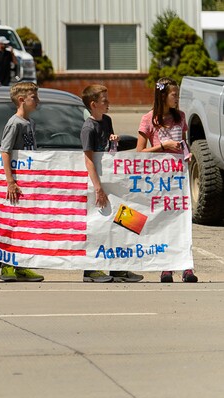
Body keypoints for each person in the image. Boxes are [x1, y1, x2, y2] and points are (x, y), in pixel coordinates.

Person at [136, 77, 198, 283]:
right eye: (174, 95)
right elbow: (140, 152)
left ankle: (186, 266)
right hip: (159, 180)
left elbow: (184, 143)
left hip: (180, 179)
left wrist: (186, 155)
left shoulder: (180, 116)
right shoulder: (148, 119)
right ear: (163, 95)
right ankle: (166, 267)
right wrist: (163, 146)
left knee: (182, 222)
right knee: (163, 222)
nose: (177, 98)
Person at [80, 84, 143, 283]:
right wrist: (98, 188)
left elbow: (110, 152)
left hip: (112, 183)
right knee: (97, 226)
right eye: (104, 100)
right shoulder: (88, 128)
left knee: (123, 222)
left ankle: (118, 267)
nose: (108, 103)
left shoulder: (107, 121)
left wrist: (114, 142)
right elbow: (89, 159)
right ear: (93, 104)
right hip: (97, 184)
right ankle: (91, 270)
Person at [0, 82, 44, 282]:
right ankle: (7, 266)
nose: (38, 101)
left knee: (26, 225)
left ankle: (22, 266)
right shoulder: (14, 123)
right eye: (34, 97)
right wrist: (10, 181)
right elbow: (5, 151)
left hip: (29, 182)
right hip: (16, 183)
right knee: (13, 225)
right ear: (21, 100)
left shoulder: (30, 123)